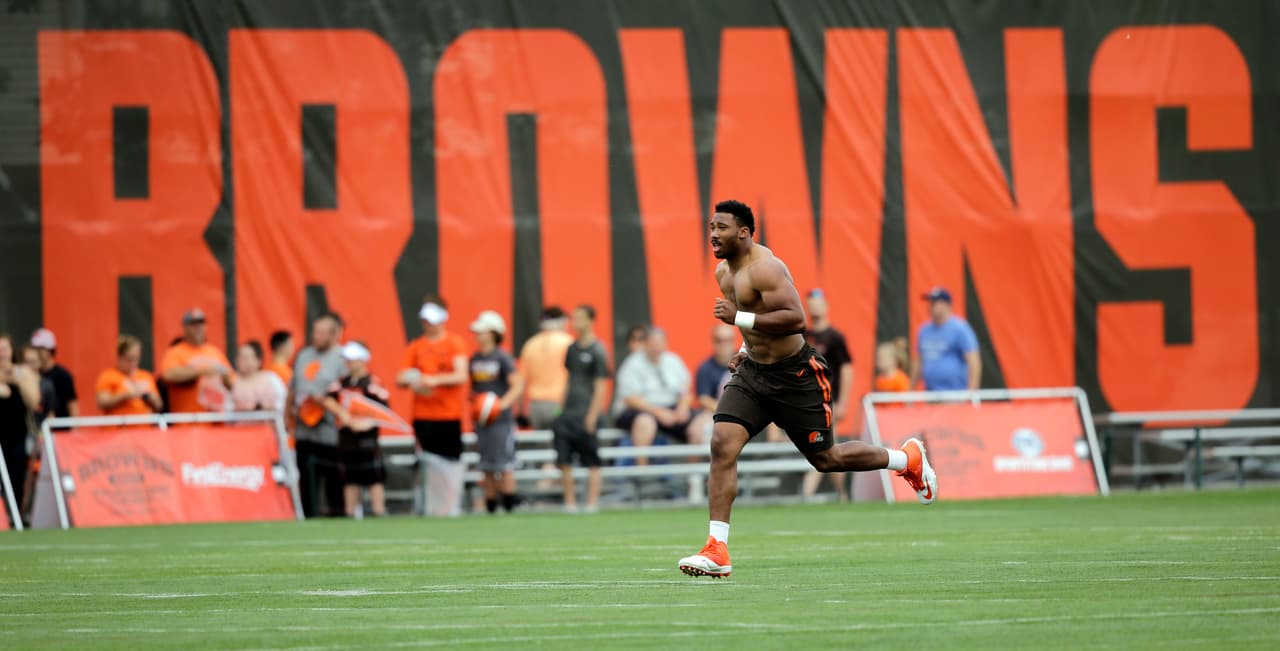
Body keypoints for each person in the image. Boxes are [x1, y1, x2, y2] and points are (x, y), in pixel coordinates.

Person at [678, 199, 937, 578]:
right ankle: (717, 548)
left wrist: (739, 318)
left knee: (826, 459)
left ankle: (905, 459)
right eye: (711, 227)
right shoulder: (723, 272)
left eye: (722, 227)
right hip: (754, 374)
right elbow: (752, 324)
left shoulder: (766, 268)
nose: (713, 234)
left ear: (744, 233)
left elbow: (796, 319)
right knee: (722, 444)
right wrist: (743, 348)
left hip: (796, 375)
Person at [397, 297, 469, 517]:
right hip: (424, 416)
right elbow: (400, 377)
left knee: (450, 463)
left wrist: (432, 380)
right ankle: (427, 506)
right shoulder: (416, 346)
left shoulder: (454, 343)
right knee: (426, 463)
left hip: (448, 415)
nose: (429, 324)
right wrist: (412, 378)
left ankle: (449, 506)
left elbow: (460, 374)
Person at [613, 327, 708, 462]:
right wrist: (658, 412)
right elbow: (630, 399)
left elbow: (685, 391)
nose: (656, 348)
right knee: (645, 421)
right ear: (645, 344)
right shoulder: (632, 364)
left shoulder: (673, 361)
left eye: (659, 344)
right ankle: (643, 474)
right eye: (653, 344)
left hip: (671, 409)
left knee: (702, 421)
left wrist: (683, 407)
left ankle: (694, 478)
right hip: (641, 410)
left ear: (665, 343)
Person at [551, 305, 610, 513]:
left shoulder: (598, 350)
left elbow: (601, 384)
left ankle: (592, 503)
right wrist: (559, 409)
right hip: (568, 413)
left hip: (586, 413)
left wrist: (593, 415)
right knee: (564, 460)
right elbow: (569, 379)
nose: (575, 322)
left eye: (579, 318)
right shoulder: (571, 348)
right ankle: (570, 503)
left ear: (590, 321)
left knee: (591, 460)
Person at [290, 312, 347, 517]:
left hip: (328, 429)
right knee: (306, 477)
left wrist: (323, 402)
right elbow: (294, 387)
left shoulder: (341, 358)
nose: (317, 337)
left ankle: (337, 515)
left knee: (333, 477)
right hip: (304, 428)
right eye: (315, 332)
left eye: (323, 333)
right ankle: (308, 515)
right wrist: (290, 413)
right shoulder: (304, 355)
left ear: (334, 335)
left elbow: (347, 393)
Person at [324, 341, 389, 518]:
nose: (349, 363)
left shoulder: (373, 383)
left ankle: (378, 510)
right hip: (346, 439)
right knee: (350, 479)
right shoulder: (342, 382)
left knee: (373, 478)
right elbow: (328, 398)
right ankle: (351, 512)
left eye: (352, 359)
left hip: (367, 440)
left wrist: (365, 422)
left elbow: (383, 410)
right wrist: (342, 414)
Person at [468, 310, 525, 514]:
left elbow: (517, 385)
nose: (477, 335)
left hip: (500, 421)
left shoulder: (502, 357)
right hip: (482, 421)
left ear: (493, 333)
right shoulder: (474, 358)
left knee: (504, 463)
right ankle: (490, 505)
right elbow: (474, 390)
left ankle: (509, 504)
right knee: (486, 464)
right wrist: (477, 407)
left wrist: (500, 405)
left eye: (481, 331)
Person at [801, 288, 855, 502]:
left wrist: (843, 401)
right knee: (827, 448)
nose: (814, 306)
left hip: (826, 400)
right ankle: (842, 494)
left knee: (823, 446)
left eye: (817, 302)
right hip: (806, 401)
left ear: (825, 306)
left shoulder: (835, 337)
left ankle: (809, 491)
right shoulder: (804, 336)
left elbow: (846, 368)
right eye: (810, 303)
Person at [160, 309, 234, 413]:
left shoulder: (215, 352)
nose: (198, 328)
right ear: (185, 328)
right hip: (187, 420)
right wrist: (201, 372)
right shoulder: (175, 352)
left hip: (215, 421)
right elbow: (168, 374)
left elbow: (232, 383)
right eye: (193, 325)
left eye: (201, 324)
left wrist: (225, 377)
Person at [0, 334, 41, 516]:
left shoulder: (23, 373)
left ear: (11, 351)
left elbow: (33, 402)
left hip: (17, 434)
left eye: (5, 349)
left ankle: (15, 515)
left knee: (17, 476)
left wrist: (18, 382)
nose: (2, 354)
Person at [910, 287, 981, 391]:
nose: (930, 307)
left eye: (934, 303)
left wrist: (971, 393)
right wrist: (910, 390)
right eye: (930, 303)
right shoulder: (924, 330)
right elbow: (918, 363)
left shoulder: (960, 329)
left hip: (955, 395)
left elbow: (974, 362)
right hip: (931, 395)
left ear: (946, 305)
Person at [518, 306, 573, 431]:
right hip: (559, 406)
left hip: (535, 406)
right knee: (561, 445)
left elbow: (521, 381)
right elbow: (573, 378)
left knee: (540, 446)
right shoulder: (568, 343)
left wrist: (521, 411)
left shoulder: (530, 344)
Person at [95, 336, 162, 416]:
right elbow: (102, 402)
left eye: (136, 359)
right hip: (118, 426)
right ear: (120, 357)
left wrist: (151, 398)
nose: (133, 363)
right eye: (129, 359)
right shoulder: (108, 376)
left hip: (143, 426)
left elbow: (159, 406)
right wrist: (125, 395)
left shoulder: (146, 376)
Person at [30, 328, 78, 418]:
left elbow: (72, 405)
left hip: (60, 428)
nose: (37, 352)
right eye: (35, 349)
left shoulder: (63, 376)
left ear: (50, 349)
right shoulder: (31, 373)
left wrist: (75, 430)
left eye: (41, 348)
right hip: (38, 428)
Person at [231, 340, 287, 413]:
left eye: (246, 357)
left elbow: (283, 402)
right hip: (240, 423)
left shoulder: (270, 378)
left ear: (258, 360)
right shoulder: (232, 380)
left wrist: (264, 406)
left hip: (265, 422)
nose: (241, 361)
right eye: (240, 357)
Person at [695, 324, 737, 413]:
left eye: (728, 340)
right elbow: (703, 399)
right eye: (719, 340)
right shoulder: (705, 368)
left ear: (734, 342)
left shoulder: (746, 363)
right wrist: (729, 411)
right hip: (717, 413)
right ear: (713, 342)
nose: (723, 345)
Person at [20, 345, 55, 425]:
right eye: (26, 362)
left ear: (40, 363)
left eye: (33, 362)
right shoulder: (16, 383)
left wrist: (45, 432)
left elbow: (50, 413)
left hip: (39, 430)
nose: (29, 366)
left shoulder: (47, 385)